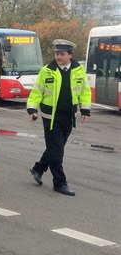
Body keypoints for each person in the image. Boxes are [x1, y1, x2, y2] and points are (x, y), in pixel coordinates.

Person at [26, 39, 91, 196]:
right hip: (50, 117)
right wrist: (32, 109)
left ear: (70, 55)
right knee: (57, 151)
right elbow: (37, 92)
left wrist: (85, 109)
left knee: (56, 148)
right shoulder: (47, 70)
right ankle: (60, 183)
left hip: (69, 117)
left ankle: (38, 168)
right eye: (56, 54)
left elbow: (84, 91)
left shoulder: (79, 70)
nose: (58, 57)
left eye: (62, 54)